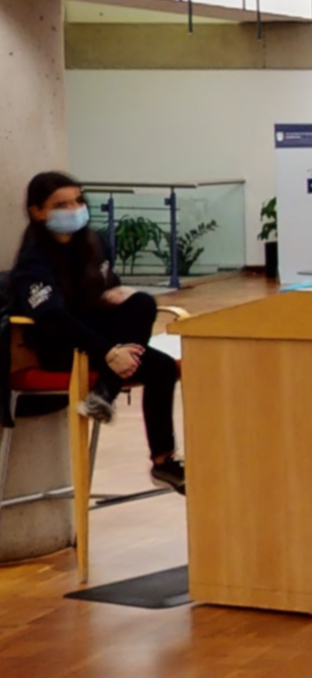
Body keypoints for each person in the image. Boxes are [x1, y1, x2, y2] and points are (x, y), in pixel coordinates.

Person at [9, 172, 184, 493]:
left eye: (78, 201)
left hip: (101, 340)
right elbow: (53, 318)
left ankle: (161, 459)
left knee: (146, 314)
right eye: (61, 205)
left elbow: (100, 292)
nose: (74, 209)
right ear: (37, 212)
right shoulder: (33, 262)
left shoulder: (93, 244)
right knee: (150, 361)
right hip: (63, 345)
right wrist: (109, 352)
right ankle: (106, 390)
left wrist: (115, 293)